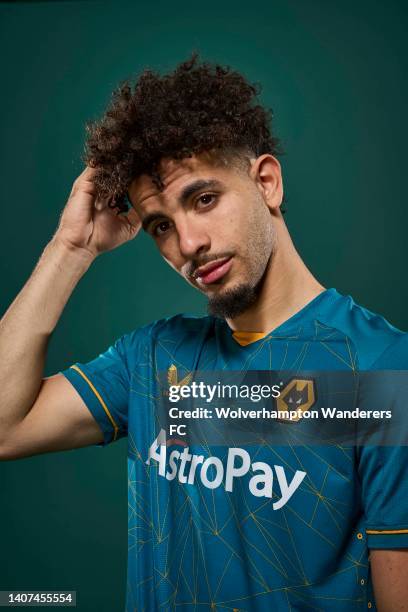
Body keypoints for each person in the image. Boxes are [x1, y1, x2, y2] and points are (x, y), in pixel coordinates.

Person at [0, 55, 407, 611]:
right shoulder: (151, 360)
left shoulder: (383, 373)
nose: (188, 243)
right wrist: (69, 250)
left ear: (266, 182)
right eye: (161, 225)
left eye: (204, 198)